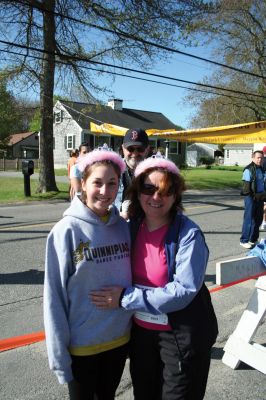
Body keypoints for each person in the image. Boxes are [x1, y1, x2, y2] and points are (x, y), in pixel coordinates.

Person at [91, 153, 218, 400]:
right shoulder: (130, 227)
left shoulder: (188, 234)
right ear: (138, 192)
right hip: (142, 337)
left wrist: (126, 298)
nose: (156, 197)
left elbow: (184, 290)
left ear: (175, 195)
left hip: (179, 334)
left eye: (165, 190)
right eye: (149, 188)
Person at [43, 145, 132, 400]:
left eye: (112, 183)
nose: (105, 192)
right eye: (97, 183)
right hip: (82, 348)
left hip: (118, 341)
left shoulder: (124, 228)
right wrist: (59, 357)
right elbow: (54, 299)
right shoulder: (65, 232)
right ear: (82, 183)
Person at [115, 128, 149, 218]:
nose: (135, 153)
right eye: (130, 149)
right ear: (123, 148)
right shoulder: (112, 171)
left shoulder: (155, 174)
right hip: (116, 224)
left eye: (140, 149)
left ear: (147, 149)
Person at [240, 150, 266, 249]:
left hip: (260, 197)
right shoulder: (248, 169)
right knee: (249, 219)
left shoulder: (261, 169)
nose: (260, 159)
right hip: (251, 198)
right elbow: (246, 189)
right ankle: (244, 240)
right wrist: (255, 196)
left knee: (258, 220)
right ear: (253, 158)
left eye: (261, 158)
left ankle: (253, 240)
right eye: (258, 157)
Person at [259, 145, 266, 231]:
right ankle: (263, 222)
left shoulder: (261, 161)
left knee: (263, 204)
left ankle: (263, 222)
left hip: (261, 185)